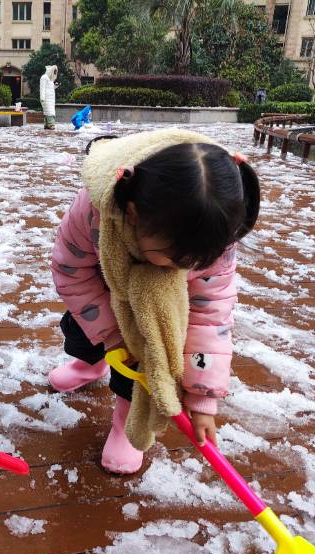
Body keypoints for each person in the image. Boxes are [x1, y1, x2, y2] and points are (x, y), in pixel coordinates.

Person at [49, 129, 260, 474]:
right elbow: (71, 270)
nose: (187, 268)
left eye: (197, 263)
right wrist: (111, 336)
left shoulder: (217, 229)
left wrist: (202, 397)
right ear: (132, 215)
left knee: (147, 353)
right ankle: (90, 364)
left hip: (160, 304)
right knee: (82, 330)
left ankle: (126, 421)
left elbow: (210, 317)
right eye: (175, 258)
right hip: (102, 279)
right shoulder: (94, 209)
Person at [40, 65, 58, 130]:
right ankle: (51, 124)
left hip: (51, 99)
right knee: (49, 111)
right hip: (46, 98)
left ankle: (47, 124)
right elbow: (42, 88)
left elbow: (50, 88)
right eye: (54, 72)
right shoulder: (44, 77)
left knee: (48, 111)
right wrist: (42, 98)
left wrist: (55, 86)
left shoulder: (50, 80)